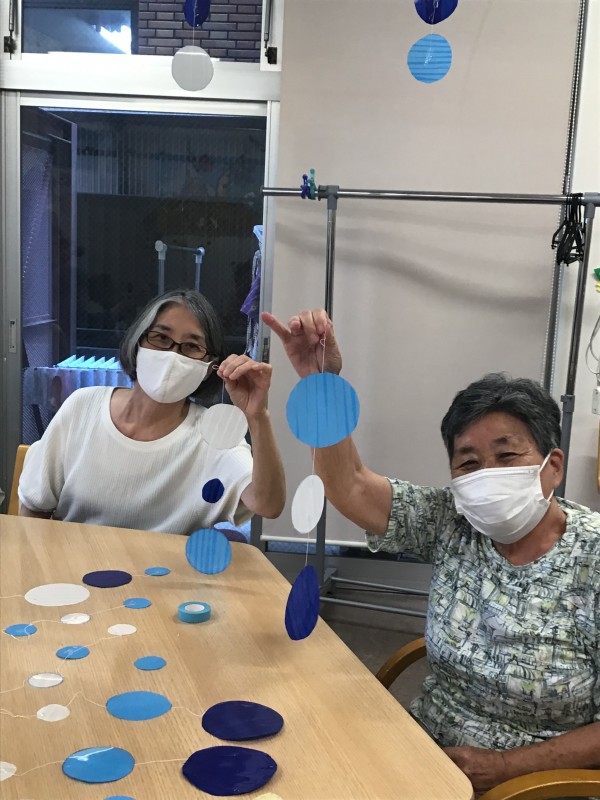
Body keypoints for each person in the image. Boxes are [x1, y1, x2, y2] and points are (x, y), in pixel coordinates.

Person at [263, 307, 600, 793]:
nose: (487, 474)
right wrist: (321, 382)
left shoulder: (592, 556)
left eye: (507, 455)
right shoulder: (450, 521)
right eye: (469, 462)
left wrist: (506, 767)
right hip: (423, 751)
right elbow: (350, 486)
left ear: (554, 465)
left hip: (536, 781)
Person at [18, 290, 286, 535]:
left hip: (165, 571)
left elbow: (267, 504)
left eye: (192, 346)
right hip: (76, 567)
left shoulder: (214, 435)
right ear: (137, 343)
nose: (173, 355)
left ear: (209, 368)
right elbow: (34, 507)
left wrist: (257, 417)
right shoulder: (82, 407)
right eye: (161, 338)